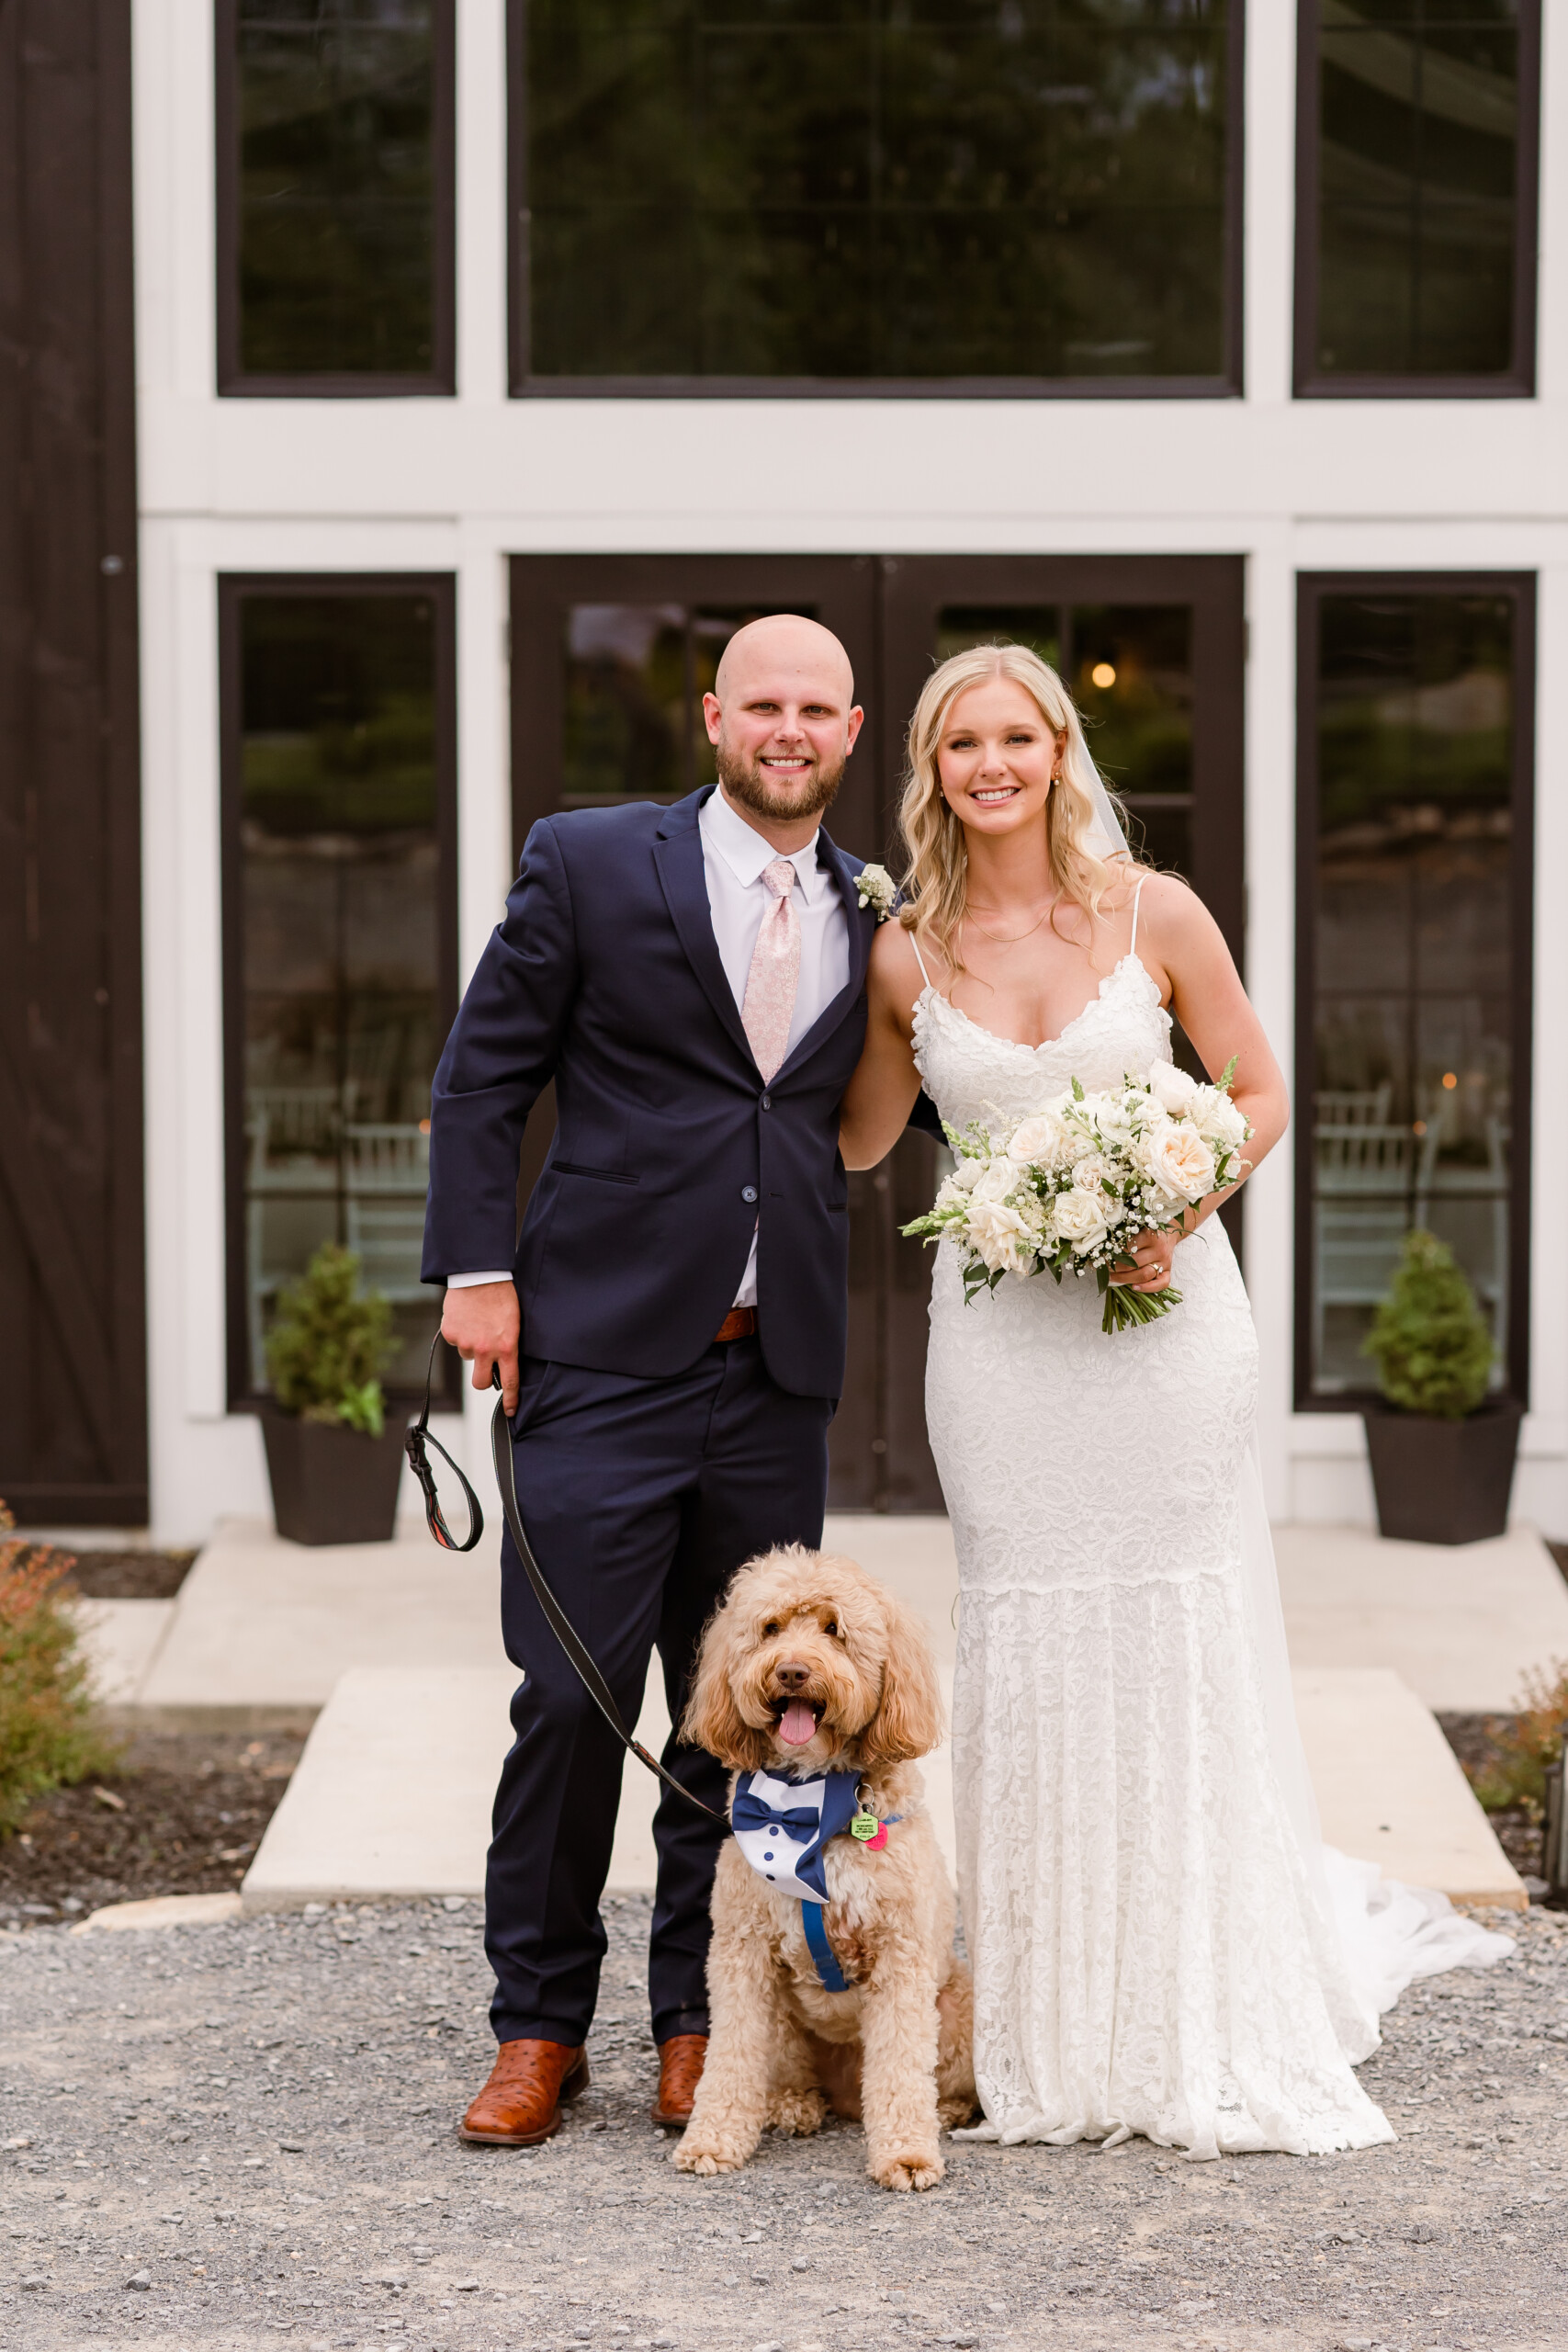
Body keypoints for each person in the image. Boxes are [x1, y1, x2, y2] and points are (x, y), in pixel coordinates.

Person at [839, 642, 1508, 2156]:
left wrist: (1186, 1192)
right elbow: (857, 1146)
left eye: (1019, 734)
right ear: (932, 770)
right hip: (1001, 1355)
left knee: (1170, 1627)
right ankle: (1054, 2024)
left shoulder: (1159, 911)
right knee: (1034, 1640)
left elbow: (1258, 1090)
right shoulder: (905, 951)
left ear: (1064, 749)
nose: (993, 763)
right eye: (963, 742)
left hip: (1166, 1331)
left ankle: (1201, 2001)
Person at [423, 614, 887, 2146]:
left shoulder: (878, 907)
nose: (788, 728)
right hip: (600, 1355)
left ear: (852, 728)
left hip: (775, 1372)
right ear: (712, 715)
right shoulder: (589, 859)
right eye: (764, 702)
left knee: (757, 1720)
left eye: (816, 707)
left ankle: (700, 2019)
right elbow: (488, 1071)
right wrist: (477, 1274)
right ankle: (538, 2026)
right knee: (568, 1699)